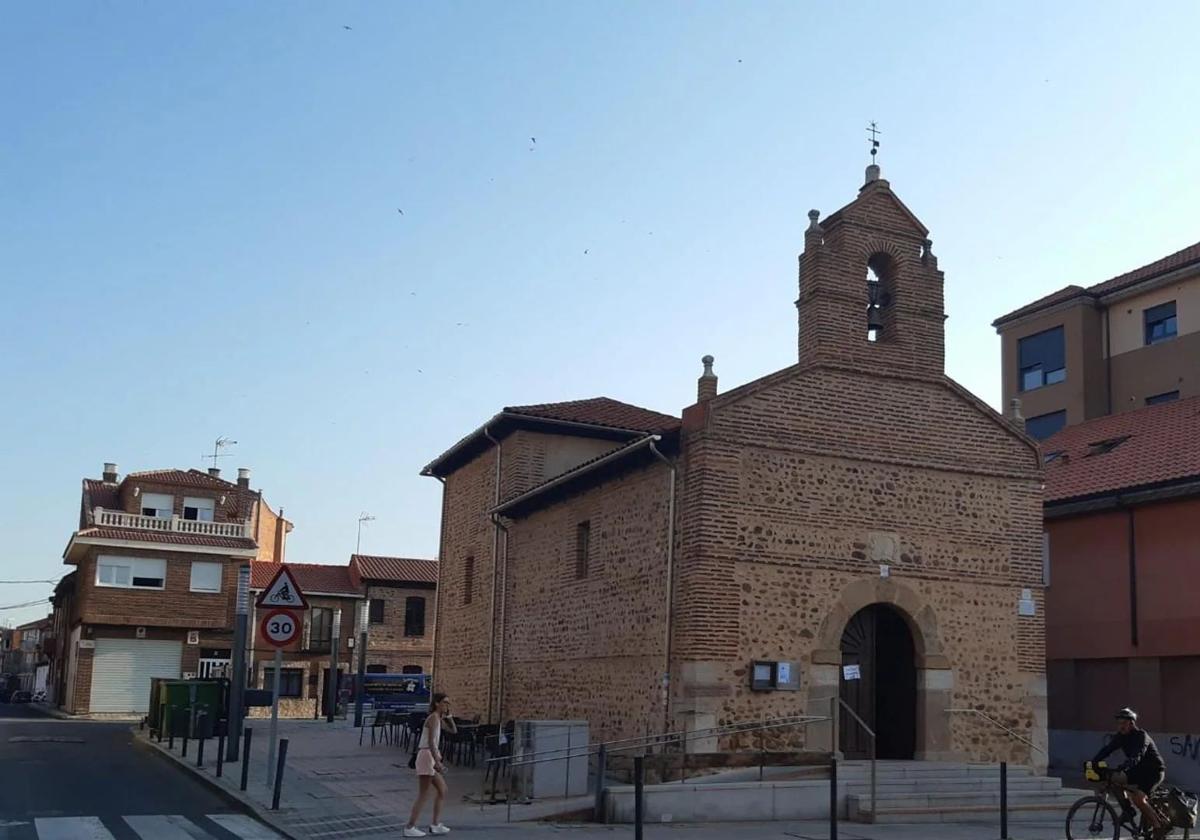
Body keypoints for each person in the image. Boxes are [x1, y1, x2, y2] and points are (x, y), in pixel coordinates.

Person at [1091, 707, 1168, 838]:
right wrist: (1093, 762)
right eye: (1119, 723)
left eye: (1123, 723)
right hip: (1137, 770)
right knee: (1113, 779)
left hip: (1153, 772)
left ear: (1131, 723)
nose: (1120, 726)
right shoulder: (1121, 737)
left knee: (1138, 797)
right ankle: (1128, 811)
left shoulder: (1141, 736)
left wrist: (1125, 766)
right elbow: (1107, 749)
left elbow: (1137, 755)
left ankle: (1158, 826)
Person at [403, 693, 458, 837]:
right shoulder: (433, 718)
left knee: (442, 789)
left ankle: (435, 824)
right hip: (427, 756)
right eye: (445, 702)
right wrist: (437, 762)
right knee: (424, 793)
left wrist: (450, 717)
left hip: (430, 757)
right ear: (437, 703)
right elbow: (431, 742)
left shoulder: (439, 719)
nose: (447, 705)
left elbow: (454, 731)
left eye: (448, 703)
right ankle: (410, 826)